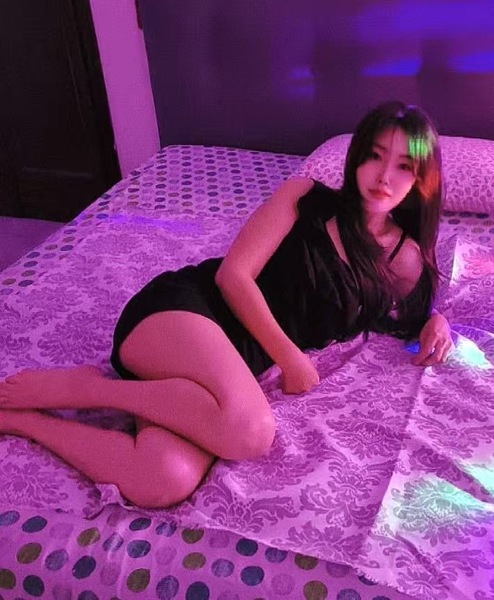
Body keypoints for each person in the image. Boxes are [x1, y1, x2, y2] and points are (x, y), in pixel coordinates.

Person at [0, 101, 454, 508]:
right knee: (250, 431)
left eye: (404, 166)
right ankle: (88, 389)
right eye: (375, 155)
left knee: (162, 480)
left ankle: (24, 423)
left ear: (421, 179)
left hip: (225, 365)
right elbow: (233, 276)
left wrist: (437, 321)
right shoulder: (304, 196)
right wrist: (289, 358)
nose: (384, 176)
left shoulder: (404, 257)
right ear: (356, 157)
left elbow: (411, 316)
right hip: (186, 312)